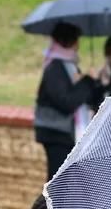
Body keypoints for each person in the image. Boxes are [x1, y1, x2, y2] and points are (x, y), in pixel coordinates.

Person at [34, 22, 98, 181]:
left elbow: (82, 96)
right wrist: (88, 80)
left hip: (65, 133)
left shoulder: (68, 67)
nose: (78, 46)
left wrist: (91, 82)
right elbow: (67, 102)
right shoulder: (55, 69)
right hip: (56, 134)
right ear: (71, 42)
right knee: (59, 183)